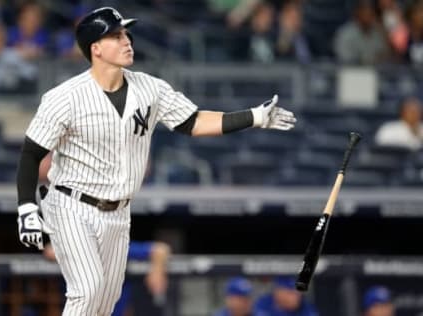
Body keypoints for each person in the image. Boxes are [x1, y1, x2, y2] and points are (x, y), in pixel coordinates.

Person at [15, 6, 296, 316]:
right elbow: (31, 154)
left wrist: (254, 116)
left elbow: (193, 121)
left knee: (105, 303)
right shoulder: (64, 97)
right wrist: (27, 206)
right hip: (71, 205)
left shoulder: (149, 88)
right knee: (88, 288)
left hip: (118, 212)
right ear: (95, 49)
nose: (127, 41)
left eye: (126, 34)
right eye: (116, 35)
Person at [43, 241, 170, 316]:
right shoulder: (78, 247)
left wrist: (157, 270)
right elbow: (50, 250)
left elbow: (161, 249)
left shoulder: (115, 248)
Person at [333, 0, 390, 64]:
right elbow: (343, 57)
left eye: (370, 14)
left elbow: (385, 55)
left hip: (375, 70)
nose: (368, 17)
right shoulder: (345, 33)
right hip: (352, 70)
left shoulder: (378, 32)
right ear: (357, 14)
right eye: (365, 13)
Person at [253, 276, 319, 316]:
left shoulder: (305, 306)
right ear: (278, 293)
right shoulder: (263, 303)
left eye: (298, 293)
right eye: (290, 292)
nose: (297, 297)